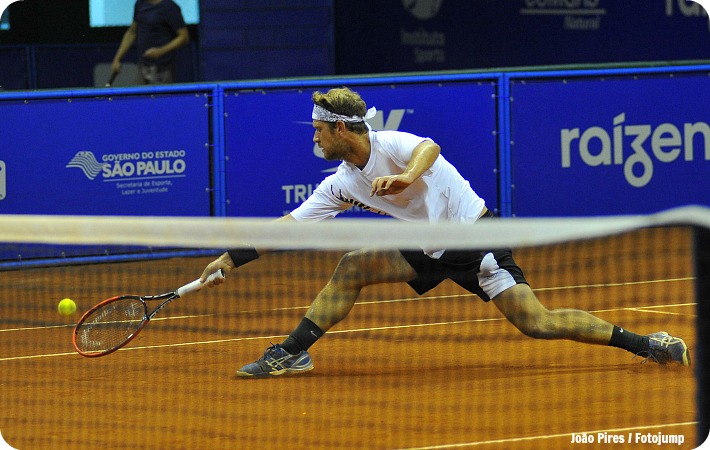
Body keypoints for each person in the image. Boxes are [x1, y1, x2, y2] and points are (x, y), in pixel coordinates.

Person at [200, 87, 691, 377]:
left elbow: (429, 148)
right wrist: (231, 256)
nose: (313, 137)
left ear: (341, 130)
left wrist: (407, 178)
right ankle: (292, 353)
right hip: (426, 245)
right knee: (351, 267)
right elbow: (289, 228)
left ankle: (646, 343)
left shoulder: (391, 144)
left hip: (471, 235)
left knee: (535, 322)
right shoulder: (342, 183)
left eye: (318, 129)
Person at [111, 0, 189, 85]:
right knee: (137, 96)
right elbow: (132, 32)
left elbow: (183, 37)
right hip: (143, 66)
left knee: (161, 97)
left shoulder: (170, 7)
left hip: (163, 69)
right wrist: (117, 58)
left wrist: (160, 51)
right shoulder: (140, 4)